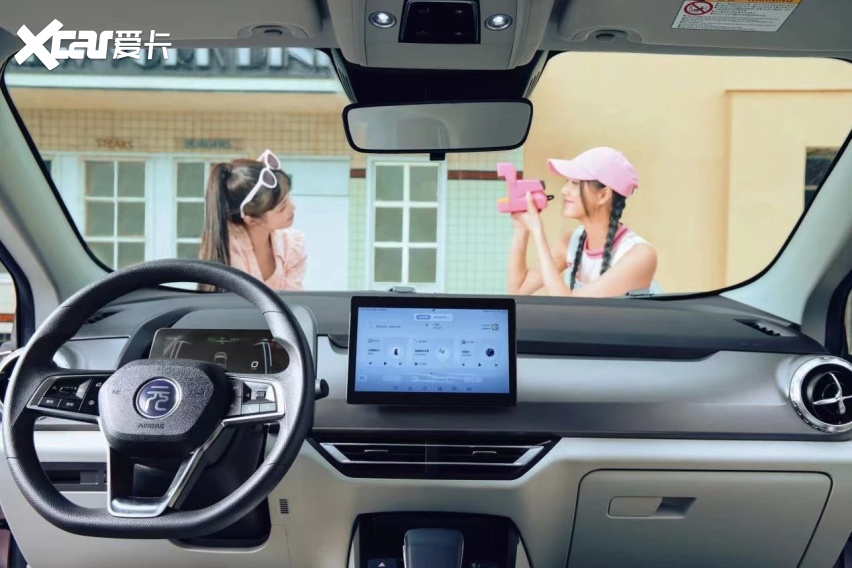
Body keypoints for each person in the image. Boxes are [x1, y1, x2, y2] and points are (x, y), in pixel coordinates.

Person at [508, 146, 660, 297]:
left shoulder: (640, 255)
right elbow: (518, 290)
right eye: (567, 181)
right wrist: (521, 226)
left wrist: (537, 232)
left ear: (603, 195)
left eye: (575, 183)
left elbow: (571, 307)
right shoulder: (570, 243)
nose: (564, 190)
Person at [198, 149, 306, 292]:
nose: (292, 207)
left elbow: (294, 299)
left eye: (288, 199)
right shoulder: (228, 249)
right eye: (282, 208)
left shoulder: (291, 244)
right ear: (251, 219)